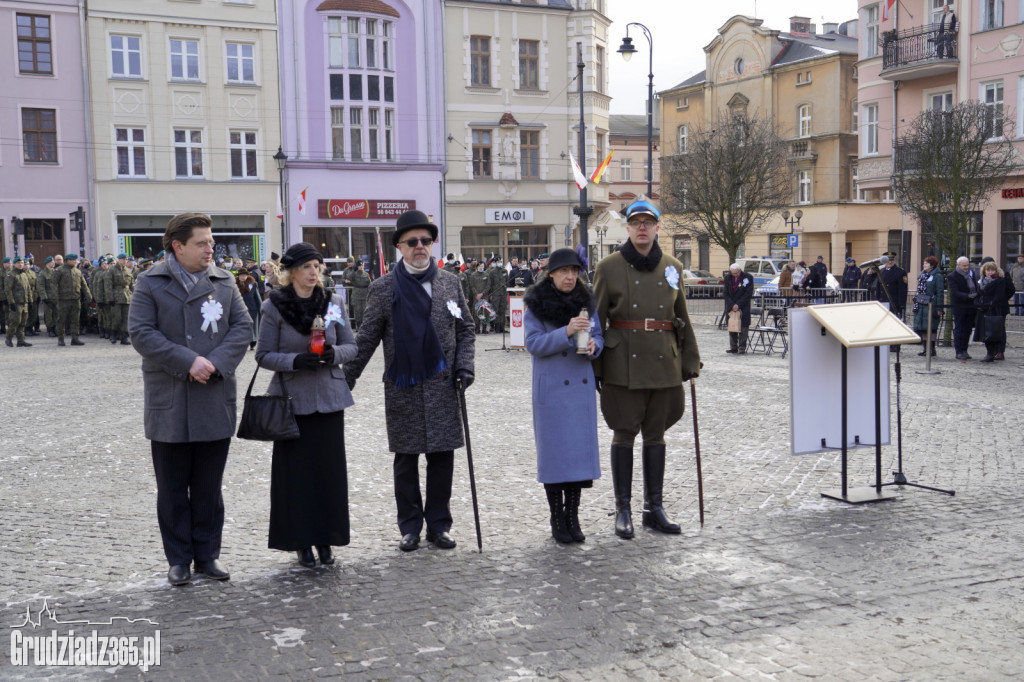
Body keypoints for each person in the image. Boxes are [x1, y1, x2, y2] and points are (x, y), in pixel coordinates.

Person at [128, 212, 252, 586]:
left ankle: (207, 555)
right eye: (202, 243)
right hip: (170, 398)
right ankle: (179, 558)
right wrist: (188, 362)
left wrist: (212, 363)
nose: (210, 248)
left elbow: (244, 327)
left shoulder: (224, 281)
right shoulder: (150, 282)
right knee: (171, 488)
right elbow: (141, 333)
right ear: (177, 247)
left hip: (212, 394)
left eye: (211, 242)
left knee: (208, 487)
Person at [345, 210, 475, 552]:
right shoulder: (383, 288)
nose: (420, 247)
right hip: (403, 386)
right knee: (406, 460)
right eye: (412, 241)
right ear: (399, 247)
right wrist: (346, 378)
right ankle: (410, 526)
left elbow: (466, 329)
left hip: (444, 385)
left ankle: (439, 525)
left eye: (426, 241)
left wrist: (465, 367)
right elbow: (368, 337)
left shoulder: (449, 282)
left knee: (442, 457)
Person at [593, 200, 701, 539]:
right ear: (627, 228)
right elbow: (597, 319)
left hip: (663, 360)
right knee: (624, 433)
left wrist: (689, 360)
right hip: (623, 361)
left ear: (657, 228)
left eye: (648, 222)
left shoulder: (672, 267)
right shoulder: (608, 267)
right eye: (636, 222)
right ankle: (623, 508)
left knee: (656, 435)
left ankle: (653, 508)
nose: (642, 227)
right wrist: (595, 366)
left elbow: (680, 315)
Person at [255, 243, 358, 568]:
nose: (315, 273)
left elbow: (351, 346)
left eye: (318, 267)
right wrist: (295, 361)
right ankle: (301, 540)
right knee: (296, 477)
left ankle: (326, 539)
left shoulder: (334, 302)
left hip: (329, 399)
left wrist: (333, 355)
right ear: (291, 272)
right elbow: (263, 355)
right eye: (308, 267)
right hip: (291, 401)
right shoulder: (274, 307)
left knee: (328, 475)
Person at [524, 248, 604, 543]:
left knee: (577, 460)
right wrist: (566, 331)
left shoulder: (587, 300)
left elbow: (599, 334)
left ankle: (573, 515)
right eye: (564, 272)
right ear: (552, 274)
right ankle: (557, 517)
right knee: (556, 459)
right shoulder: (535, 304)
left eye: (574, 271)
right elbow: (533, 344)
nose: (570, 277)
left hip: (580, 390)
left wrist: (596, 345)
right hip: (553, 392)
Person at [975, 261, 1015, 362]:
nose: (990, 272)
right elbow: (978, 294)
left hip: (993, 309)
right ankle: (989, 352)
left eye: (992, 270)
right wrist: (978, 303)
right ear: (984, 271)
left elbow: (1000, 295)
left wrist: (991, 304)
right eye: (988, 270)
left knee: (994, 331)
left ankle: (994, 352)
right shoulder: (980, 281)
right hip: (983, 309)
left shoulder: (999, 280)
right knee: (985, 332)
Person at [54, 254, 92, 347]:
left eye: (75, 260)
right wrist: (55, 298)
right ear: (67, 260)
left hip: (75, 299)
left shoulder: (78, 271)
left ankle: (75, 338)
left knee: (75, 320)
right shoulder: (60, 270)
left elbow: (83, 285)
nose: (75, 261)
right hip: (63, 300)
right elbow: (53, 285)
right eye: (72, 260)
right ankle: (61, 339)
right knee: (61, 320)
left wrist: (89, 295)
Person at [911, 256, 944, 357]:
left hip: (931, 305)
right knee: (923, 328)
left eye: (926, 263)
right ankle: (925, 349)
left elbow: (940, 292)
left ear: (932, 265)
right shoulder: (923, 275)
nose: (924, 265)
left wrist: (939, 308)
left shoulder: (937, 276)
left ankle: (932, 349)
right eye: (924, 263)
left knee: (932, 328)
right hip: (921, 304)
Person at [947, 256, 979, 360]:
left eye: (967, 265)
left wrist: (976, 294)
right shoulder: (952, 276)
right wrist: (967, 296)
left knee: (968, 329)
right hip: (959, 306)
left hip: (971, 305)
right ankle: (959, 351)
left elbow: (974, 286)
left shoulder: (971, 273)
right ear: (958, 265)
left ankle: (965, 349)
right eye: (964, 265)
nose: (966, 267)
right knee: (959, 328)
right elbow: (955, 291)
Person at [722, 263, 754, 354]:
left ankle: (742, 347)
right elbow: (725, 293)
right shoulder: (727, 278)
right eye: (733, 273)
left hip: (743, 306)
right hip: (731, 306)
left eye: (736, 273)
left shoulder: (748, 277)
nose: (734, 275)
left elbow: (748, 293)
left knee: (743, 327)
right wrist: (732, 305)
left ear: (739, 270)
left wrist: (738, 305)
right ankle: (733, 347)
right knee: (732, 326)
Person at [4, 257, 33, 347]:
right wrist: (11, 302)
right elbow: (8, 290)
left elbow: (28, 289)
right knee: (15, 322)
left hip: (24, 302)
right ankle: (8, 338)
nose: (20, 264)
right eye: (18, 263)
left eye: (21, 263)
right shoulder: (11, 275)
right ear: (14, 264)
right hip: (16, 303)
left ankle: (21, 340)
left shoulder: (24, 274)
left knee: (23, 322)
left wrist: (30, 301)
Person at [109, 253, 134, 345]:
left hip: (127, 296)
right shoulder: (111, 270)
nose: (125, 261)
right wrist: (110, 298)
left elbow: (131, 285)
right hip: (116, 297)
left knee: (126, 318)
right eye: (123, 259)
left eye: (126, 259)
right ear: (118, 260)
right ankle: (113, 335)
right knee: (116, 318)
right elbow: (108, 286)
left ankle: (124, 337)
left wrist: (134, 296)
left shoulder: (128, 271)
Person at [236, 271, 262, 349]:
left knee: (252, 326)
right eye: (241, 275)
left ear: (247, 276)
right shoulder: (235, 285)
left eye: (244, 275)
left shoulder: (253, 284)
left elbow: (257, 297)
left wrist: (261, 308)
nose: (242, 277)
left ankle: (253, 342)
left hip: (252, 308)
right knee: (241, 326)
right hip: (240, 309)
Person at [879, 255, 908, 319]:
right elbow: (878, 287)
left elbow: (903, 289)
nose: (890, 262)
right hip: (883, 300)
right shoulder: (881, 271)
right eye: (888, 260)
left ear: (894, 260)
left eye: (892, 260)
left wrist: (901, 304)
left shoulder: (900, 272)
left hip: (894, 302)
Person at [467, 260, 492, 334]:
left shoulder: (486, 275)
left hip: (484, 296)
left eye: (483, 266)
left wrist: (482, 293)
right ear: (477, 267)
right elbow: (471, 286)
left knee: (485, 312)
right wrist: (476, 294)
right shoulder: (473, 275)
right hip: (476, 297)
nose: (482, 268)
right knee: (476, 312)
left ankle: (484, 329)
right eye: (480, 266)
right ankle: (477, 328)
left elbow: (488, 286)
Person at [487, 257, 507, 333]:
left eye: (501, 261)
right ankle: (497, 327)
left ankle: (502, 327)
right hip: (495, 294)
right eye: (498, 261)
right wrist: (490, 294)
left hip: (503, 294)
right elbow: (490, 284)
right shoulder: (492, 272)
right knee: (496, 311)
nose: (500, 263)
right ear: (495, 262)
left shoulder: (504, 271)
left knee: (502, 311)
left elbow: (507, 281)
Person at [349, 260, 370, 329]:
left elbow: (369, 284)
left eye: (362, 265)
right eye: (360, 266)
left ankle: (364, 326)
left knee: (365, 311)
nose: (361, 267)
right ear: (357, 266)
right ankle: (358, 326)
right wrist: (353, 270)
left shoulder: (366, 274)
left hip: (364, 295)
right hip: (357, 295)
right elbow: (349, 278)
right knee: (357, 311)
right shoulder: (354, 274)